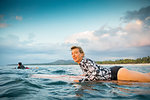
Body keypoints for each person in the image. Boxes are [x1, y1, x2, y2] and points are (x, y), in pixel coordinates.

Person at [71, 46, 150, 83]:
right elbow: (92, 73)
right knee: (146, 76)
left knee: (147, 79)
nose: (73, 55)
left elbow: (95, 74)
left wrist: (81, 81)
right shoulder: (82, 63)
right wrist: (84, 76)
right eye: (72, 54)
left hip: (116, 73)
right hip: (114, 74)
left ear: (82, 54)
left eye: (76, 53)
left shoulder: (86, 61)